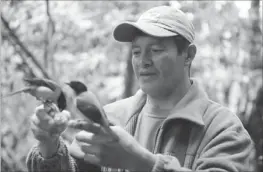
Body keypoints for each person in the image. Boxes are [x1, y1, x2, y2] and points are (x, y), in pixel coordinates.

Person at [26, 5, 255, 172]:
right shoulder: (111, 117)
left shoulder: (223, 129)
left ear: (188, 55)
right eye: (136, 52)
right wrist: (49, 145)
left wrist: (143, 164)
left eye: (156, 50)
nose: (143, 61)